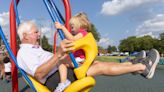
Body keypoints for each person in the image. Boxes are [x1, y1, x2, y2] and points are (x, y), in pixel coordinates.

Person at [17, 20, 160, 92]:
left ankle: (133, 65)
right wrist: (58, 55)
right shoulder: (24, 53)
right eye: (36, 32)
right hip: (55, 80)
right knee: (99, 67)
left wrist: (62, 56)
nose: (39, 34)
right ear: (25, 36)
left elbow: (57, 61)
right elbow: (39, 73)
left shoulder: (36, 49)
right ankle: (142, 67)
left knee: (96, 64)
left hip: (61, 71)